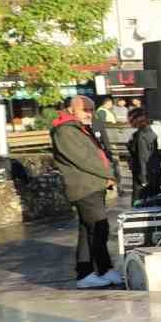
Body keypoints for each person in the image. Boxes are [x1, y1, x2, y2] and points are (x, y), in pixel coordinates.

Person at [51, 95, 120, 288]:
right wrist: (108, 174)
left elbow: (95, 154)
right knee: (99, 227)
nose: (89, 114)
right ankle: (101, 269)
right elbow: (83, 159)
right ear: (72, 110)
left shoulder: (78, 128)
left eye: (91, 110)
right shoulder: (65, 131)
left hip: (91, 185)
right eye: (85, 110)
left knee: (88, 230)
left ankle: (86, 272)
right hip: (84, 187)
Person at [125, 107, 161, 204]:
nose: (128, 121)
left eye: (130, 119)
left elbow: (143, 158)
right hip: (152, 173)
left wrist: (143, 179)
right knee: (154, 202)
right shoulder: (149, 131)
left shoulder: (140, 135)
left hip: (143, 176)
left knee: (140, 204)